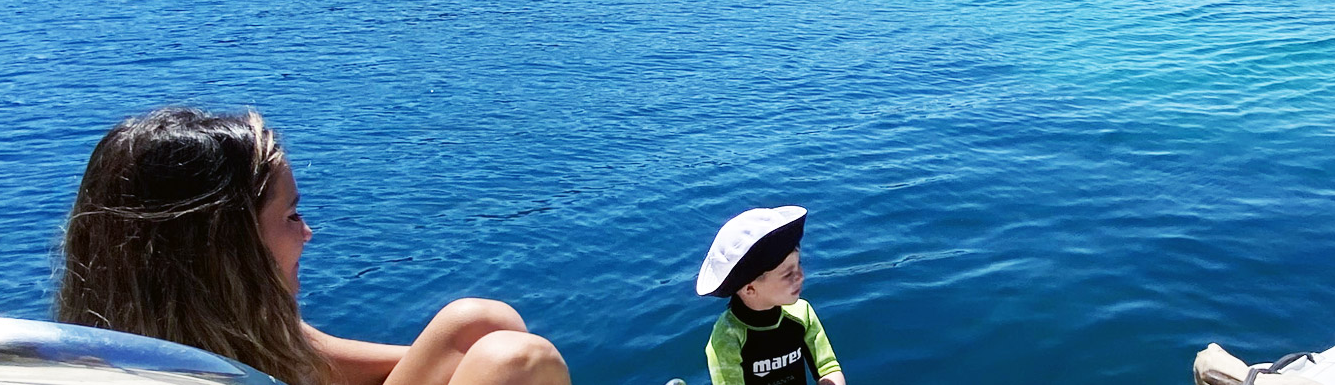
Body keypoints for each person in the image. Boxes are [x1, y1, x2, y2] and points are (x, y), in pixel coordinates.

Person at [56, 107, 571, 385]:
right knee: (515, 361)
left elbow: (322, 362)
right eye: (291, 215)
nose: (308, 233)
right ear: (227, 246)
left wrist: (461, 365)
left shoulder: (242, 327)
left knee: (477, 324)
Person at [696, 207, 843, 385]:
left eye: (799, 264)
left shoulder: (802, 313)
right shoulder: (727, 337)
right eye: (788, 274)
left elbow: (828, 367)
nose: (801, 276)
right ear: (750, 289)